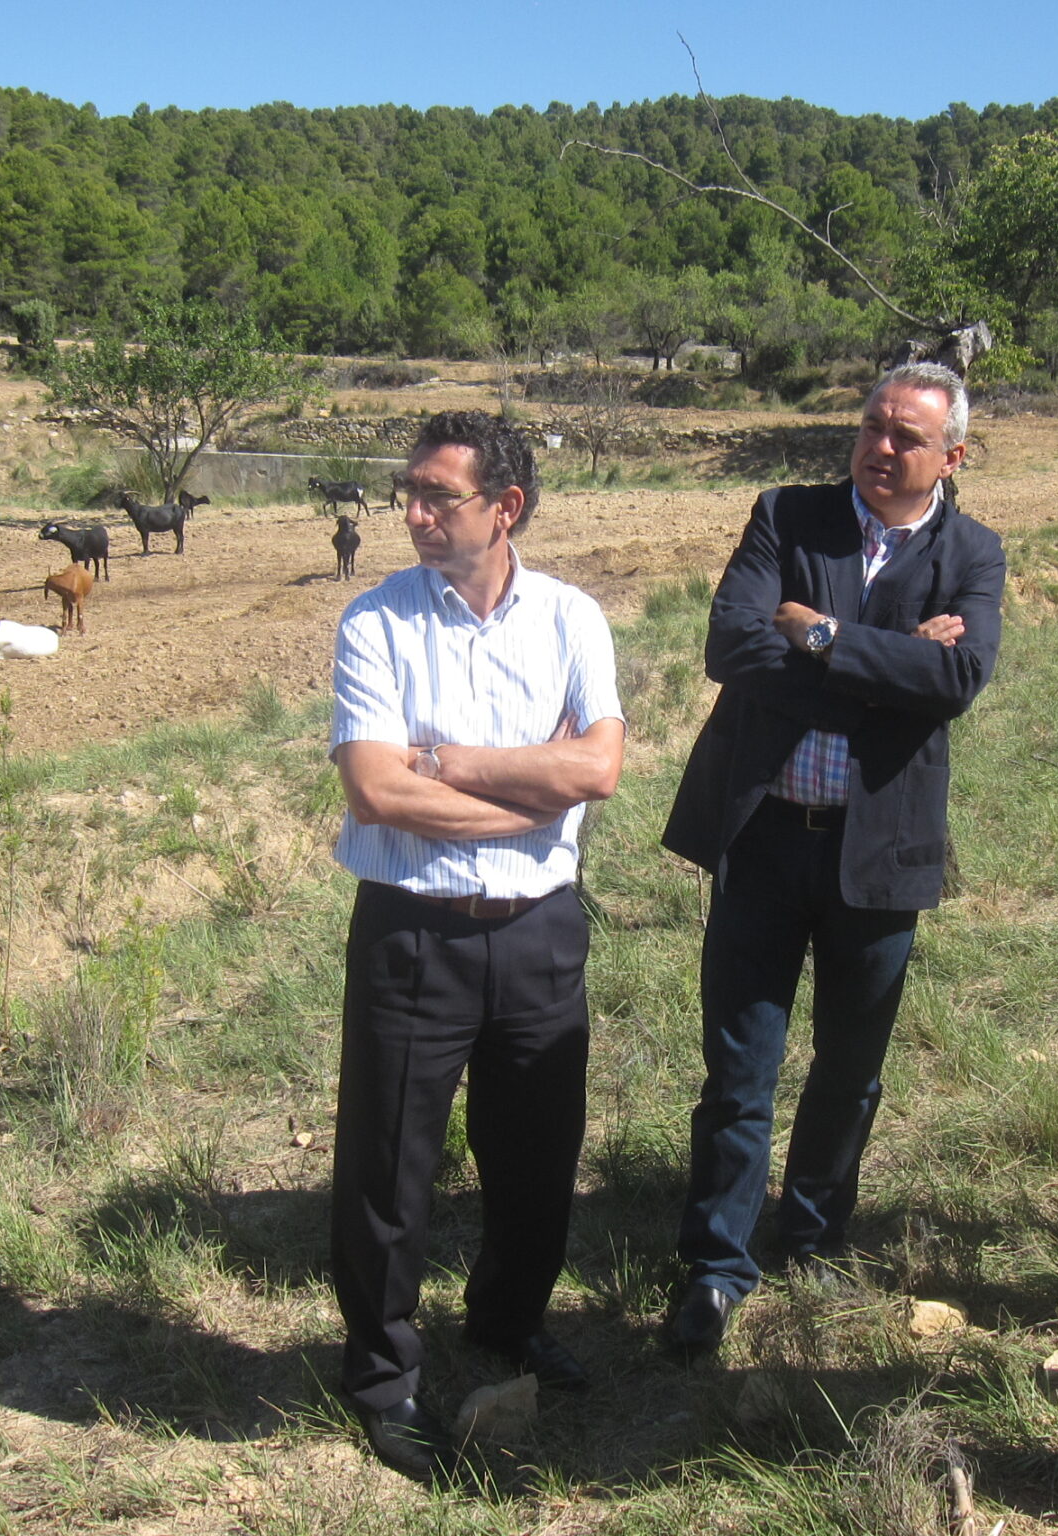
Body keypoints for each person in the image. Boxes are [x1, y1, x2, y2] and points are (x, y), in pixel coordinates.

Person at [659, 362, 1006, 1356]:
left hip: (880, 852)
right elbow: (731, 646)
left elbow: (957, 677)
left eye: (906, 436)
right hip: (764, 838)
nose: (879, 448)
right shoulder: (787, 515)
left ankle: (812, 1234)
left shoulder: (972, 552)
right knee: (739, 1067)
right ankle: (716, 1265)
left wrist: (817, 635)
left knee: (850, 1068)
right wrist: (890, 664)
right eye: (871, 426)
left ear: (952, 455)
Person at [327, 410, 624, 1480]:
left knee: (537, 1151)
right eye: (406, 492)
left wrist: (444, 763)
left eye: (435, 496)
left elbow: (596, 769)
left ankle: (507, 1323)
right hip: (415, 931)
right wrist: (527, 794)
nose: (411, 513)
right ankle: (382, 1377)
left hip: (540, 930)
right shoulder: (375, 622)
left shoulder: (572, 618)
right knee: (388, 1166)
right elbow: (374, 788)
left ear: (505, 508)